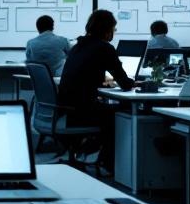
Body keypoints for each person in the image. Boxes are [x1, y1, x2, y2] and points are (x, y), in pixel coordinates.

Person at [58, 10, 135, 173]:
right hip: (83, 111)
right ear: (107, 30)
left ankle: (93, 153)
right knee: (122, 113)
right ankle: (111, 163)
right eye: (114, 29)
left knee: (113, 111)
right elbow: (125, 83)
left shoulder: (78, 46)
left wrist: (103, 82)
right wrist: (139, 83)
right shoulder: (104, 48)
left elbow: (84, 75)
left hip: (68, 109)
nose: (113, 33)